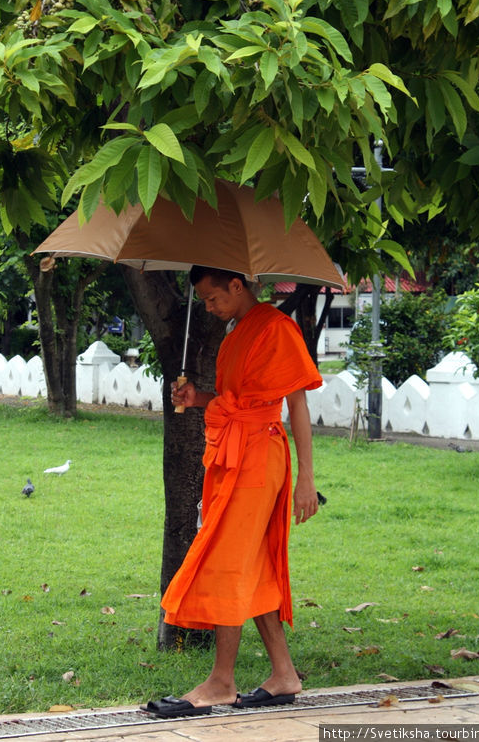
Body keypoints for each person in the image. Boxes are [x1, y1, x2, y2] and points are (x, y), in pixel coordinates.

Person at [143, 266, 323, 719]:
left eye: (212, 298)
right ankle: (283, 674)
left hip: (261, 455)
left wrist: (307, 479)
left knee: (226, 560)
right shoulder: (237, 330)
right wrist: (195, 398)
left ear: (237, 287)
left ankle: (222, 682)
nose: (209, 307)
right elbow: (233, 397)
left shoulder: (277, 328)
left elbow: (296, 406)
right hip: (231, 453)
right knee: (251, 563)